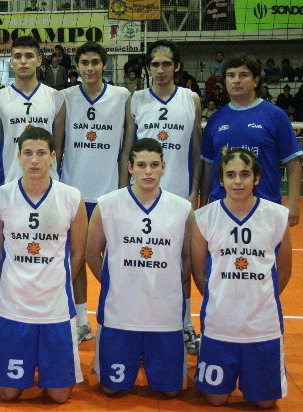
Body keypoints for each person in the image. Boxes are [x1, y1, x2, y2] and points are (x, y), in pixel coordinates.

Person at [86, 138, 193, 396]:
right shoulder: (107, 204)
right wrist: (114, 282)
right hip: (120, 312)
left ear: (163, 167)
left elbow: (190, 258)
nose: (148, 172)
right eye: (141, 165)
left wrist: (169, 284)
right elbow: (91, 253)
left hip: (164, 314)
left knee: (170, 392)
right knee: (111, 389)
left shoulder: (182, 209)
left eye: (154, 165)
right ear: (130, 167)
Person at [0, 127, 87, 403]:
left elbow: (77, 253)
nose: (34, 160)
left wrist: (56, 283)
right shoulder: (0, 197)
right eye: (28, 153)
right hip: (13, 305)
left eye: (41, 153)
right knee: (7, 393)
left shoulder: (71, 197)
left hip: (55, 307)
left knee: (59, 396)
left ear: (53, 157)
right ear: (18, 156)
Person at [119, 39, 202, 354]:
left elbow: (196, 149)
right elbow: (128, 148)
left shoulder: (190, 99)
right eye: (155, 64)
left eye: (167, 64)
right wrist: (124, 191)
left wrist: (194, 192)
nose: (161, 70)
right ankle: (138, 321)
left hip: (178, 193)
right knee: (141, 258)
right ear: (148, 68)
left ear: (177, 66)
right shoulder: (137, 99)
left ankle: (185, 325)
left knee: (181, 260)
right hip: (140, 195)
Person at [192, 148, 292, 409]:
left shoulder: (276, 215)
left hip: (262, 323)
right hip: (219, 322)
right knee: (215, 399)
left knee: (265, 403)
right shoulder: (204, 217)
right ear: (221, 179)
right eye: (231, 175)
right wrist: (219, 298)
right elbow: (199, 271)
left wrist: (260, 298)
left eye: (245, 174)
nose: (238, 181)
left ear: (256, 178)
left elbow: (284, 271)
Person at [61, 41, 130, 345]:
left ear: (105, 65)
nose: (90, 68)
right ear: (77, 67)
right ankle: (82, 322)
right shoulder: (65, 97)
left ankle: (117, 315)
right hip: (74, 192)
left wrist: (123, 187)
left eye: (95, 62)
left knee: (114, 258)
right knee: (75, 258)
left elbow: (126, 146)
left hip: (108, 193)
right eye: (84, 63)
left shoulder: (122, 96)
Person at [200, 52, 303, 229]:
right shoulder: (216, 119)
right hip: (221, 209)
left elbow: (293, 161)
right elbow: (208, 167)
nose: (236, 80)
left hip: (266, 207)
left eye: (243, 75)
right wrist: (203, 205)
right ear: (225, 81)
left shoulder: (275, 115)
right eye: (231, 75)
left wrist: (293, 201)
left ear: (256, 81)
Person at [0, 36, 65, 186]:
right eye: (17, 57)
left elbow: (58, 147)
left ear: (39, 60)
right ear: (11, 62)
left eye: (29, 56)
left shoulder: (56, 97)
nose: (23, 61)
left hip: (48, 181)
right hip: (11, 181)